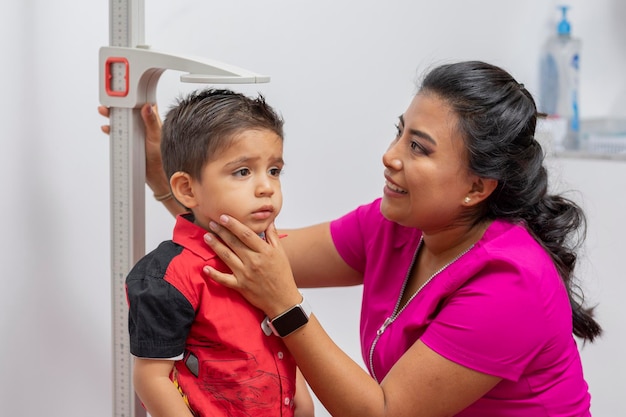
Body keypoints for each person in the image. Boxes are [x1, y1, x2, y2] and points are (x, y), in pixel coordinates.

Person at [101, 60, 601, 416]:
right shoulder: (396, 226)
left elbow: (383, 413)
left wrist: (286, 306)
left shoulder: (512, 283)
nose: (390, 155)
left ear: (476, 187)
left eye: (419, 148)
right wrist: (169, 178)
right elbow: (242, 255)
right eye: (400, 132)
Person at [120, 88, 314, 417]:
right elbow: (152, 377)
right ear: (187, 189)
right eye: (242, 172)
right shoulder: (168, 277)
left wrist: (302, 402)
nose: (267, 186)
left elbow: (281, 335)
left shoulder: (269, 253)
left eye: (274, 170)